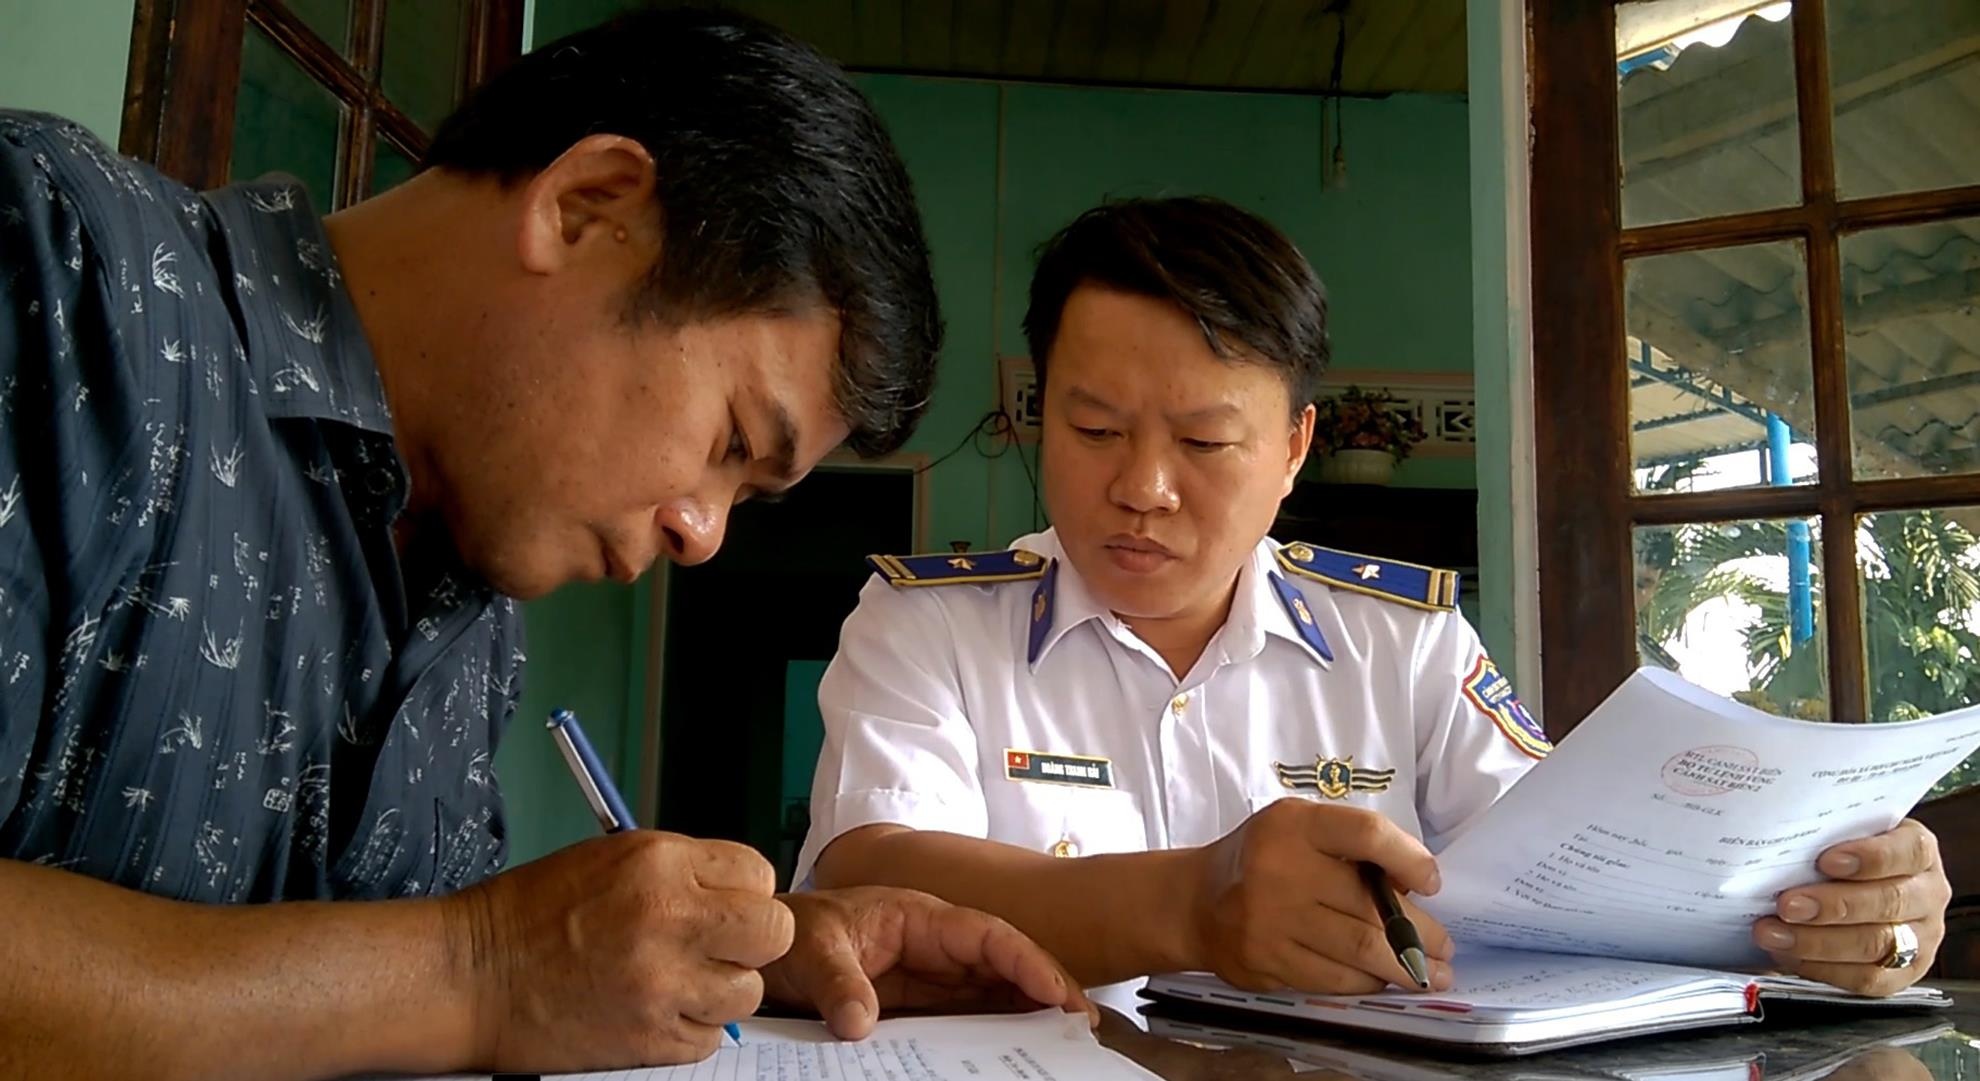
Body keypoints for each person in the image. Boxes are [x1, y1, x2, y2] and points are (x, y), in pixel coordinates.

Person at [0, 9, 1088, 1079]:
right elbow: (456, 974)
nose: (702, 535)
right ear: (585, 207)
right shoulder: (54, 271)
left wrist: (745, 957)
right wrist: (487, 970)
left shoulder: (473, 617)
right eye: (730, 442)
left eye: (748, 495)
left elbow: (362, 984)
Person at [796, 196, 1953, 1012]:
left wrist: (1833, 917)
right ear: (1036, 417)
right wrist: (1194, 904)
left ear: (1295, 447)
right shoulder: (927, 625)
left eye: (1204, 442)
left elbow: (1576, 875)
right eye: (1094, 428)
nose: (1142, 486)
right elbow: (868, 883)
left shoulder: (1403, 644)